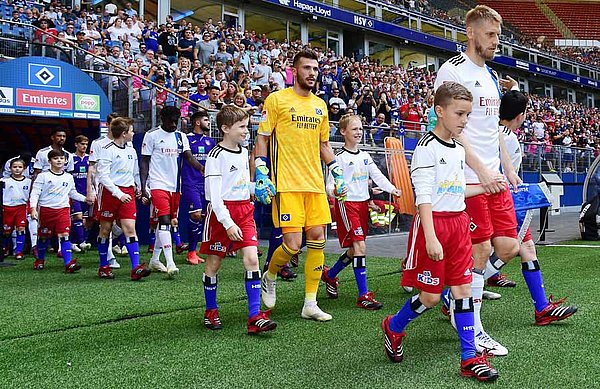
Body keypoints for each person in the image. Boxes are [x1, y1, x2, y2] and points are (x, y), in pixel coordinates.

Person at [383, 82, 498, 382]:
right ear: (440, 111)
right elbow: (423, 196)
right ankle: (394, 326)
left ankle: (469, 358)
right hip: (433, 225)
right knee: (431, 298)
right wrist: (431, 237)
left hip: (459, 225)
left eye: (468, 115)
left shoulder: (459, 148)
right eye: (459, 114)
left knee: (461, 291)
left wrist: (486, 185)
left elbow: (455, 189)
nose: (464, 120)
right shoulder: (425, 148)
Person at [433, 5, 522, 356]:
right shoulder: (452, 71)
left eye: (498, 35)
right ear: (470, 33)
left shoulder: (491, 75)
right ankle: (472, 323)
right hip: (469, 176)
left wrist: (505, 167)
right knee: (481, 248)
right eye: (490, 35)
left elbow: (492, 128)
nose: (496, 41)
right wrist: (482, 171)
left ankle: (457, 296)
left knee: (508, 246)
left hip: (494, 176)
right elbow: (453, 131)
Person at [445, 90, 577, 324]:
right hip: (492, 195)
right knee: (506, 248)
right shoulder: (504, 136)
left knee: (525, 247)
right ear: (520, 116)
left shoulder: (499, 131)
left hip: (500, 194)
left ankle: (541, 306)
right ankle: (454, 294)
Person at [255, 50, 348, 322]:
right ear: (294, 71)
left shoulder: (320, 106)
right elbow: (262, 139)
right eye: (306, 68)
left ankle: (310, 302)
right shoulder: (276, 100)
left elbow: (324, 146)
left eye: (315, 69)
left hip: (315, 185)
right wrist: (261, 172)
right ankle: (270, 275)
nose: (311, 73)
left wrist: (337, 171)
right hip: (286, 183)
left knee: (318, 239)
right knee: (293, 245)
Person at [200, 106, 276, 334]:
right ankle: (210, 310)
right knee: (214, 264)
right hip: (221, 214)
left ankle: (254, 316)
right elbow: (214, 196)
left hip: (244, 210)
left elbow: (240, 185)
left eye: (247, 126)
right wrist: (228, 223)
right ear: (225, 128)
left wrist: (258, 188)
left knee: (252, 260)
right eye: (242, 127)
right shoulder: (215, 156)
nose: (246, 131)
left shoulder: (244, 152)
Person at [321, 114, 401, 310]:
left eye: (360, 129)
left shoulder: (365, 156)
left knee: (354, 249)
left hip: (363, 204)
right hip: (347, 205)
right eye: (354, 129)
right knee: (360, 247)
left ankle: (330, 275)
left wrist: (392, 189)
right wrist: (335, 191)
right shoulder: (337, 158)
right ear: (343, 132)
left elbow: (378, 176)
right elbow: (329, 186)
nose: (358, 132)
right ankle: (363, 295)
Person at [140, 106, 205, 277]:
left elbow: (189, 157)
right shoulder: (152, 135)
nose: (173, 124)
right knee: (164, 221)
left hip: (175, 186)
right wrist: (143, 186)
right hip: (157, 184)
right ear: (162, 119)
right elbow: (144, 162)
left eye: (176, 121)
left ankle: (155, 259)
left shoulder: (180, 136)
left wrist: (201, 168)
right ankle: (170, 263)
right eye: (170, 121)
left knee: (170, 223)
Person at [96, 117, 150, 281]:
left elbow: (134, 172)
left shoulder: (131, 150)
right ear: (124, 133)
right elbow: (102, 176)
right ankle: (103, 266)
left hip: (128, 193)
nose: (134, 133)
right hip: (109, 194)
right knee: (105, 230)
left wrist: (140, 188)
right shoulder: (106, 149)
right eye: (132, 131)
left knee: (130, 229)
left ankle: (135, 268)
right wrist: (118, 193)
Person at [29, 150, 87, 272]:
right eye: (56, 158)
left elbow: (72, 193)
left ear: (66, 161)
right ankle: (40, 260)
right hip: (46, 210)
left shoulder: (68, 177)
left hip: (63, 210)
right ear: (49, 161)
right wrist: (33, 208)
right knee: (43, 237)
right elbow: (35, 193)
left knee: (64, 235)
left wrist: (85, 199)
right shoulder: (43, 176)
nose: (59, 160)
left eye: (61, 158)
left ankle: (68, 264)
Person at [182, 110, 216, 265]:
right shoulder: (186, 139)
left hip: (207, 184)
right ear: (197, 122)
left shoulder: (211, 141)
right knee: (195, 215)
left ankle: (195, 248)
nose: (208, 122)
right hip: (191, 183)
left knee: (202, 217)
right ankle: (191, 252)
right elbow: (187, 158)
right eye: (205, 119)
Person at [87, 113, 121, 269]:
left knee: (122, 224)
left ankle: (111, 248)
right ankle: (108, 255)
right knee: (106, 224)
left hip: (122, 187)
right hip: (104, 187)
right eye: (114, 123)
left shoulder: (126, 143)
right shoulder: (98, 143)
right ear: (107, 125)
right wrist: (90, 189)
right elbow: (92, 168)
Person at [2, 159, 31, 260]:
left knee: (21, 228)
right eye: (14, 167)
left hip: (21, 207)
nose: (17, 169)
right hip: (7, 208)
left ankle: (19, 251)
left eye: (20, 167)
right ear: (10, 168)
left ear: (24, 169)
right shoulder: (4, 181)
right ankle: (5, 249)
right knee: (6, 231)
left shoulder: (29, 181)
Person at [71, 135, 92, 253]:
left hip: (87, 194)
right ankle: (82, 242)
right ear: (76, 144)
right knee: (78, 217)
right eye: (82, 144)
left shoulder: (90, 159)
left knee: (87, 221)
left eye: (86, 144)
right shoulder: (70, 158)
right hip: (75, 194)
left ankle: (75, 242)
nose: (84, 146)